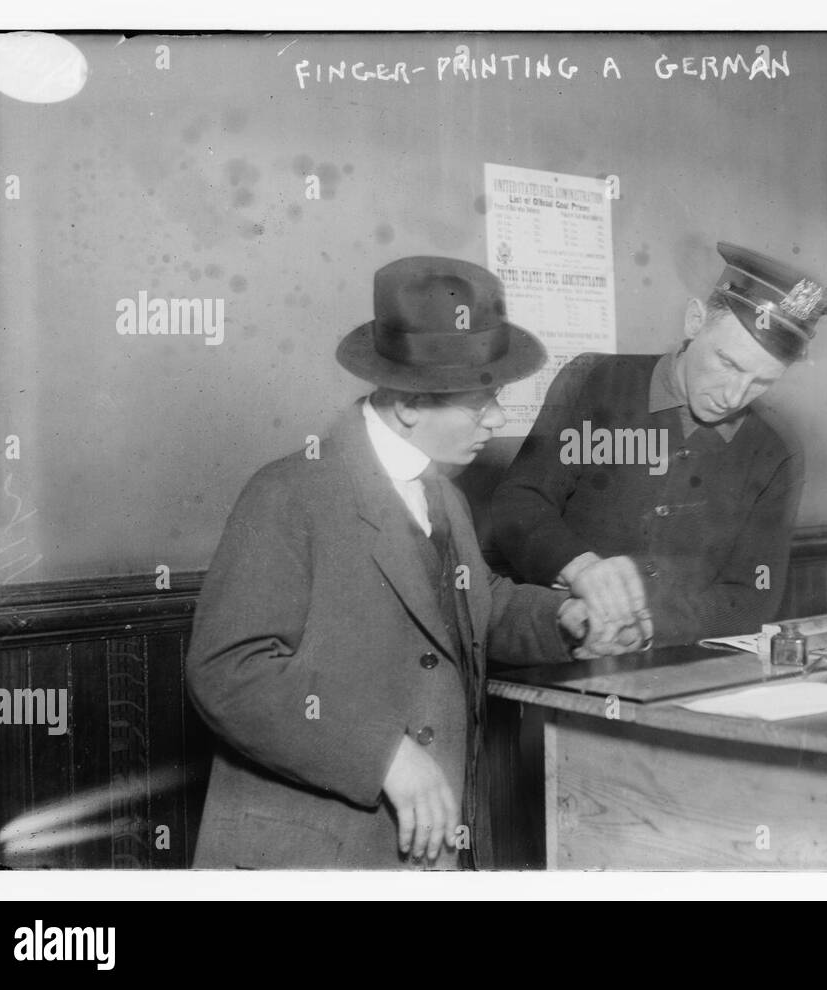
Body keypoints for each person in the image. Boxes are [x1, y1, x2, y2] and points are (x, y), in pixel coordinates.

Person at [186, 256, 636, 871]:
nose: (498, 420)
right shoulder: (288, 492)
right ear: (408, 407)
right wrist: (383, 755)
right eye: (482, 404)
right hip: (313, 857)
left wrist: (567, 618)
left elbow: (476, 605)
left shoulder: (442, 492)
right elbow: (229, 671)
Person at [492, 242, 827, 648]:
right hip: (558, 653)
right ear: (695, 321)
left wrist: (646, 628)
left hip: (676, 665)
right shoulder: (597, 381)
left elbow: (753, 594)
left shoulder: (775, 450)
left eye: (762, 381)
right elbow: (518, 504)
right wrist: (580, 568)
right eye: (728, 364)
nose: (734, 395)